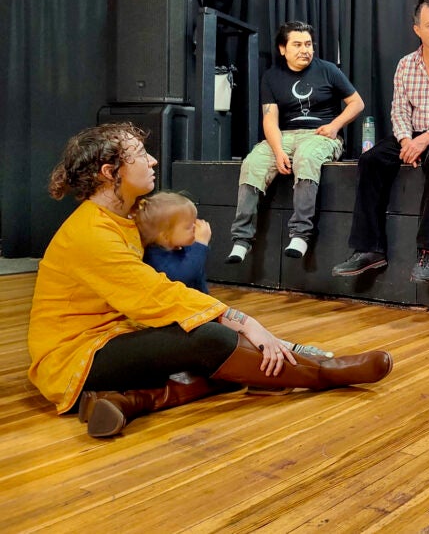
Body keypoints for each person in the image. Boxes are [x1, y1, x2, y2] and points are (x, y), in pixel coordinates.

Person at [28, 123, 392, 439]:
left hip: (114, 336)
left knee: (213, 344)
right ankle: (323, 373)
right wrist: (246, 323)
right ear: (111, 172)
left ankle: (130, 399)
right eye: (140, 155)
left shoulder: (123, 214)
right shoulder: (92, 233)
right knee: (210, 338)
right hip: (76, 357)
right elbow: (156, 294)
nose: (153, 160)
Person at [332, 0, 429, 282]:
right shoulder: (405, 65)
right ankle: (370, 250)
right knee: (371, 159)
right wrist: (404, 141)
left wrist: (424, 140)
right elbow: (398, 109)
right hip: (413, 135)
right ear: (417, 30)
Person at [225, 21, 364, 264]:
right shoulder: (272, 76)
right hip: (285, 135)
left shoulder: (328, 70)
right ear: (283, 49)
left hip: (320, 134)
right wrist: (278, 151)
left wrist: (334, 126)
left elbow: (357, 103)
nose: (305, 50)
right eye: (297, 44)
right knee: (253, 162)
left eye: (308, 44)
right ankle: (242, 239)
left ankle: (301, 233)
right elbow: (270, 119)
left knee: (306, 156)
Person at [136, 191, 332, 358]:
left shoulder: (177, 249)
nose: (195, 229)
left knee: (247, 336)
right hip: (184, 325)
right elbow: (184, 275)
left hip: (202, 315)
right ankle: (292, 354)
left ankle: (292, 350)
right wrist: (200, 244)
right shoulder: (156, 257)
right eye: (188, 227)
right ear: (164, 236)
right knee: (240, 343)